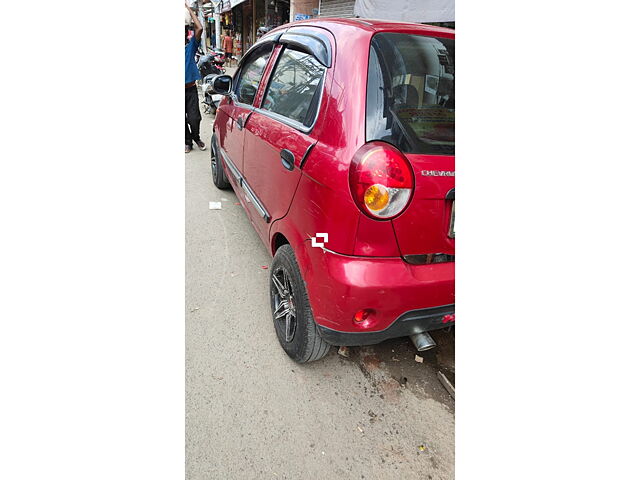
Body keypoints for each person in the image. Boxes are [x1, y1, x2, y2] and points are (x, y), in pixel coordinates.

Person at [185, 2, 206, 153]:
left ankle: (196, 137)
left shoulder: (190, 47)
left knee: (194, 118)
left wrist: (189, 10)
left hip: (190, 89)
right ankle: (188, 142)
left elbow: (199, 28)